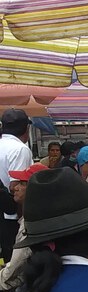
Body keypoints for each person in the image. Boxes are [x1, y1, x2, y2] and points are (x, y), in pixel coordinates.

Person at [0, 164, 48, 292]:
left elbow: (14, 272)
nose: (15, 188)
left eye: (22, 184)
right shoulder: (43, 214)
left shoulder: (31, 222)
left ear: (36, 189)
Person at [0, 109, 33, 262]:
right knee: (15, 255)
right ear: (26, 128)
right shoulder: (20, 149)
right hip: (11, 213)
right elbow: (17, 187)